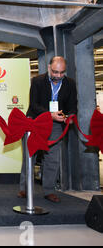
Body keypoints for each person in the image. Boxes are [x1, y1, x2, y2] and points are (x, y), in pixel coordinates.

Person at [18, 56, 77, 203]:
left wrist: (70, 116)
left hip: (57, 125)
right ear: (49, 67)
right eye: (55, 72)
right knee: (29, 156)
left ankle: (49, 190)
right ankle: (25, 188)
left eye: (62, 72)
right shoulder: (37, 81)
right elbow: (34, 105)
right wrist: (50, 115)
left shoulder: (70, 83)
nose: (58, 75)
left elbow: (72, 105)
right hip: (36, 122)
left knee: (52, 159)